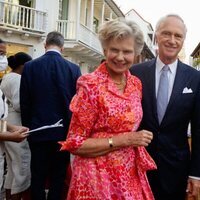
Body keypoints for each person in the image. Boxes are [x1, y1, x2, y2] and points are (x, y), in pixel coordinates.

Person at [59, 18, 156, 200]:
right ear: (105, 50)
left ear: (135, 54)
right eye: (114, 50)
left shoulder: (135, 84)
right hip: (96, 179)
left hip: (129, 176)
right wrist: (125, 139)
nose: (120, 57)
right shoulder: (91, 85)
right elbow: (75, 143)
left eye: (127, 52)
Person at [130, 14, 200, 200]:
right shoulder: (135, 73)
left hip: (176, 170)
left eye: (178, 36)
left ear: (183, 40)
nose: (172, 40)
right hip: (137, 166)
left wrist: (196, 174)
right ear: (157, 37)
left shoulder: (195, 79)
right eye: (166, 34)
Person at [20, 31, 81, 200]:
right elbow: (78, 105)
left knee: (37, 175)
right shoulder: (73, 69)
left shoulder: (30, 67)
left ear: (45, 45)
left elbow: (25, 102)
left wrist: (28, 129)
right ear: (62, 48)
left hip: (37, 130)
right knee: (58, 177)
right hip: (63, 133)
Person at [0, 52, 32, 200]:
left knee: (12, 169)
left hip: (7, 123)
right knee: (21, 169)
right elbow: (19, 104)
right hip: (17, 123)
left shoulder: (7, 77)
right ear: (23, 66)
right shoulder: (19, 79)